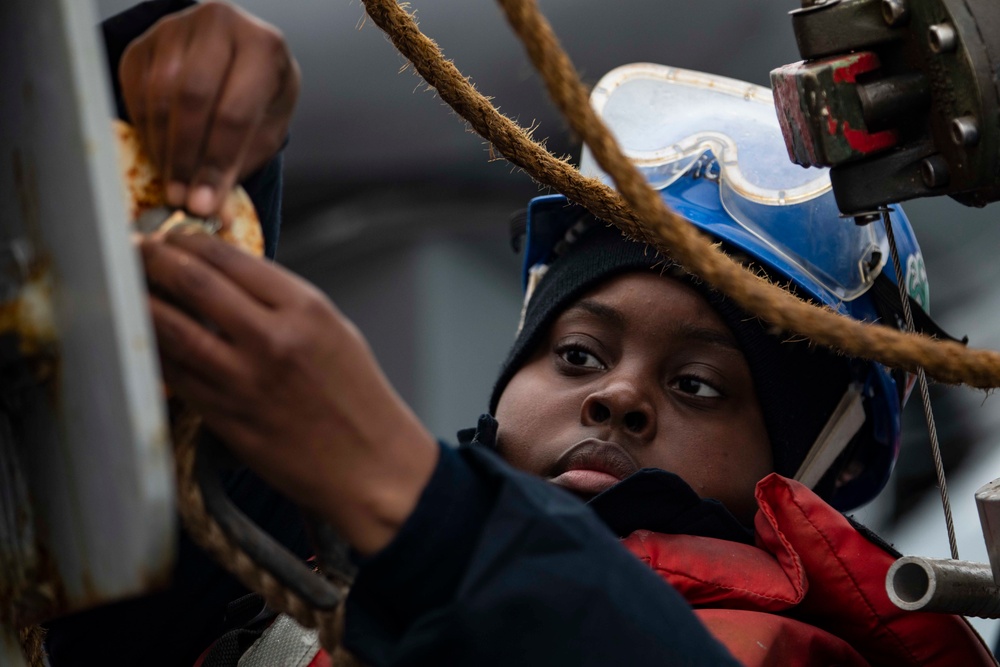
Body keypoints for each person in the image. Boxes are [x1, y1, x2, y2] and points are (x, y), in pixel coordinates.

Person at [47, 2, 998, 666]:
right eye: (577, 352)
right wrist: (162, 126)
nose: (619, 396)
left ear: (799, 476)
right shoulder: (294, 581)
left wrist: (420, 508)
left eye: (700, 385)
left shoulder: (796, 658)